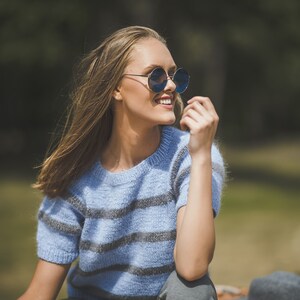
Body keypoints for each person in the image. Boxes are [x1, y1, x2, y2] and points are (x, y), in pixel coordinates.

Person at [18, 25, 225, 300]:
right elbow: (40, 293)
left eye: (174, 75)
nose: (172, 85)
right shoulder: (76, 179)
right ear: (116, 88)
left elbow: (192, 266)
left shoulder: (194, 155)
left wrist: (200, 156)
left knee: (192, 291)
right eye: (156, 76)